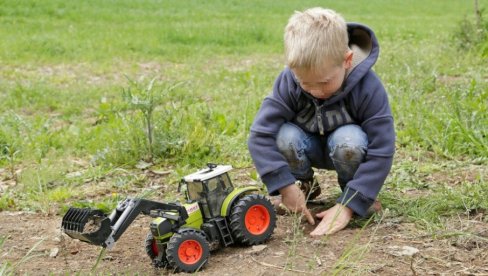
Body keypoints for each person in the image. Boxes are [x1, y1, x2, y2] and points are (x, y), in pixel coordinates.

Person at [248, 7, 395, 236]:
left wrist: (349, 205)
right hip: (308, 146)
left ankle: (354, 197)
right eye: (305, 83)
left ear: (346, 61)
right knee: (283, 135)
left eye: (324, 82)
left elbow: (382, 149)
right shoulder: (288, 82)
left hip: (347, 147)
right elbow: (260, 134)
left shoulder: (368, 88)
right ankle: (301, 187)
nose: (315, 91)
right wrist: (284, 185)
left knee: (350, 141)